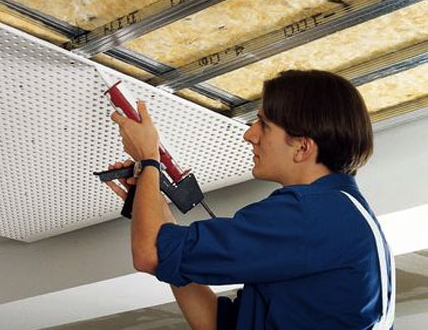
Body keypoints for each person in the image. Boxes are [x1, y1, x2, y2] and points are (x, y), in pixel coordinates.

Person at [104, 69, 394, 330]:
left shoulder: (313, 216)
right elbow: (214, 322)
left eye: (263, 124)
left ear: (302, 148)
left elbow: (150, 254)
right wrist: (150, 200)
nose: (249, 134)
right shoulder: (342, 217)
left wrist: (149, 158)